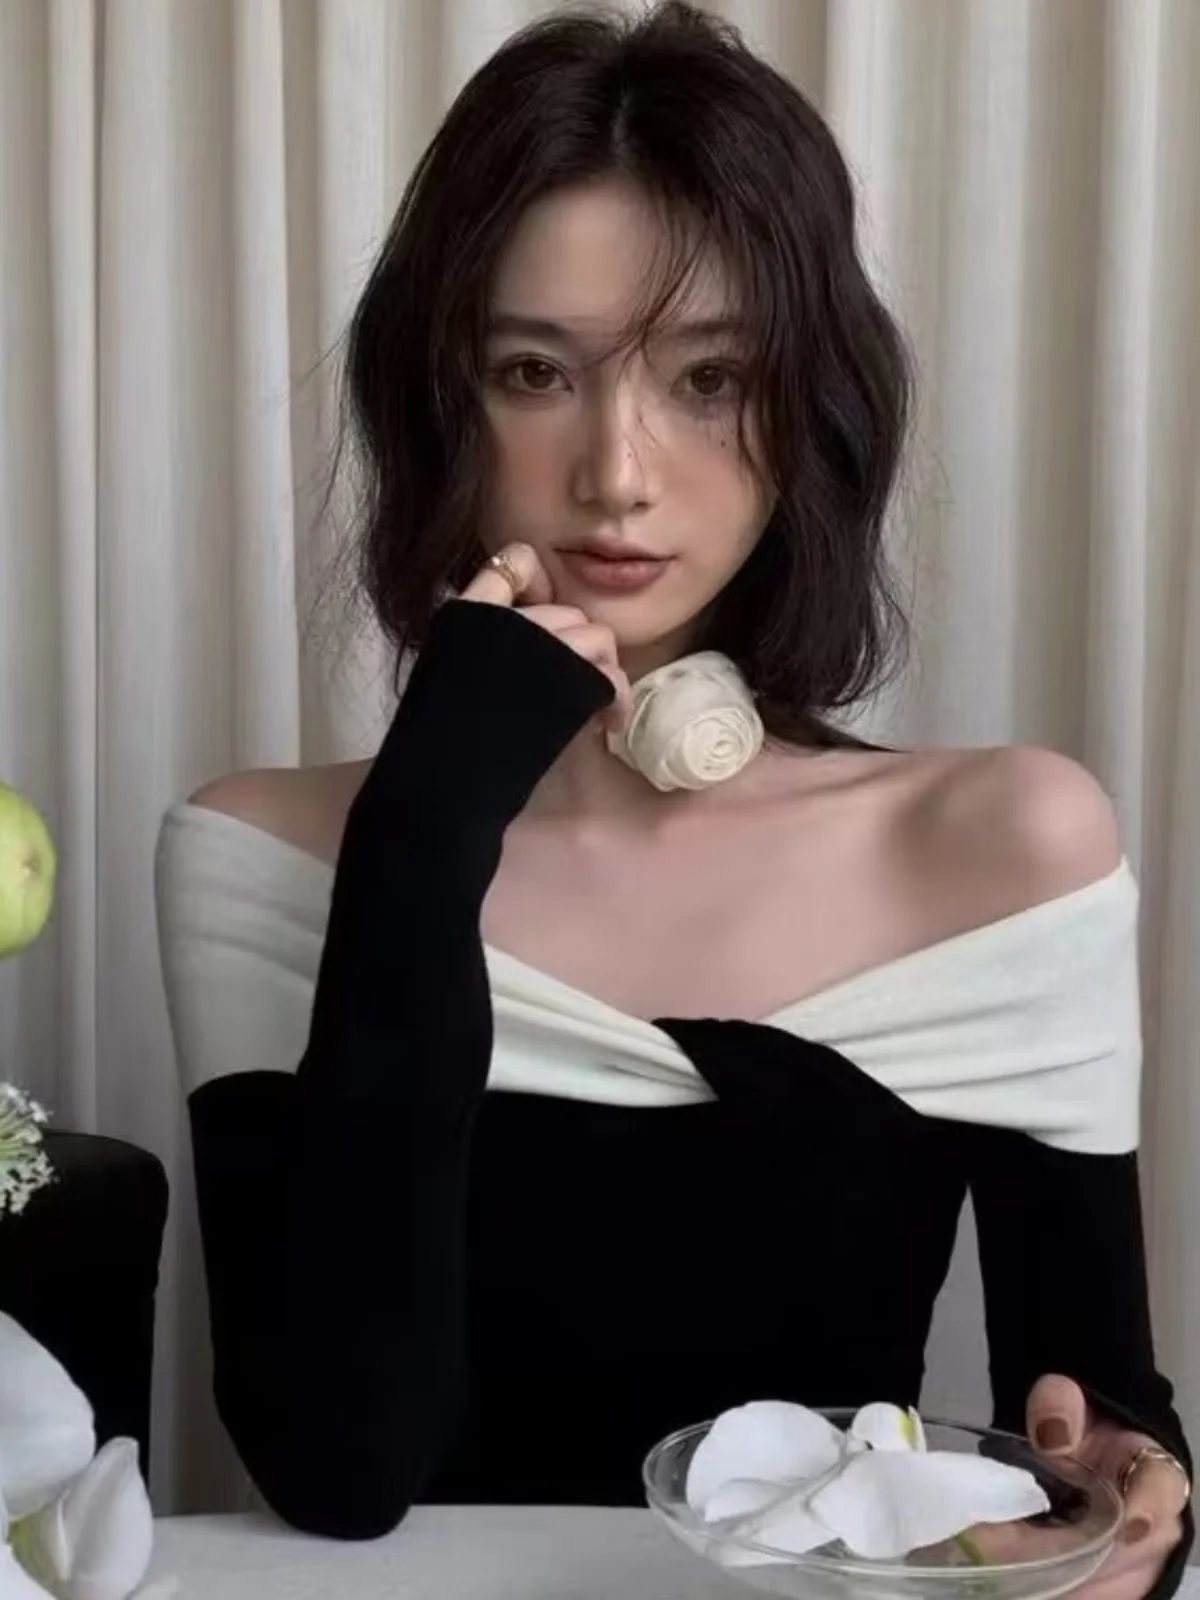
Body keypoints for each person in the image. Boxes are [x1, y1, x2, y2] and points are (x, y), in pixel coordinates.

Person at [155, 3, 1191, 1594]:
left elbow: (1098, 1422)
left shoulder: (1000, 846)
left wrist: (1125, 1497)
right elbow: (338, 1468)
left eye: (711, 379)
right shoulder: (259, 857)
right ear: (440, 405)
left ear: (812, 412)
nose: (618, 472)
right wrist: (426, 827)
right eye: (534, 372)